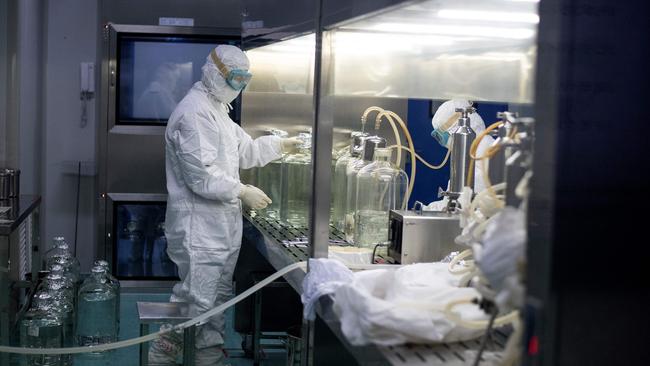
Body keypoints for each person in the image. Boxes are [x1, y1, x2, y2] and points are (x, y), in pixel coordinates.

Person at [149, 45, 301, 366]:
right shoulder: (193, 113)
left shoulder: (217, 110)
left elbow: (245, 152)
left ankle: (207, 357)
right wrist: (243, 190)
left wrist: (281, 145)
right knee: (197, 302)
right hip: (199, 229)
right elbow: (201, 176)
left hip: (220, 228)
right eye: (235, 78)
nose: (239, 85)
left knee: (215, 301)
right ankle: (162, 354)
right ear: (214, 71)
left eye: (245, 79)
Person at [425, 99, 495, 211]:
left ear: (454, 127)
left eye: (440, 136)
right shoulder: (468, 151)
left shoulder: (484, 152)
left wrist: (428, 210)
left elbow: (462, 203)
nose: (441, 142)